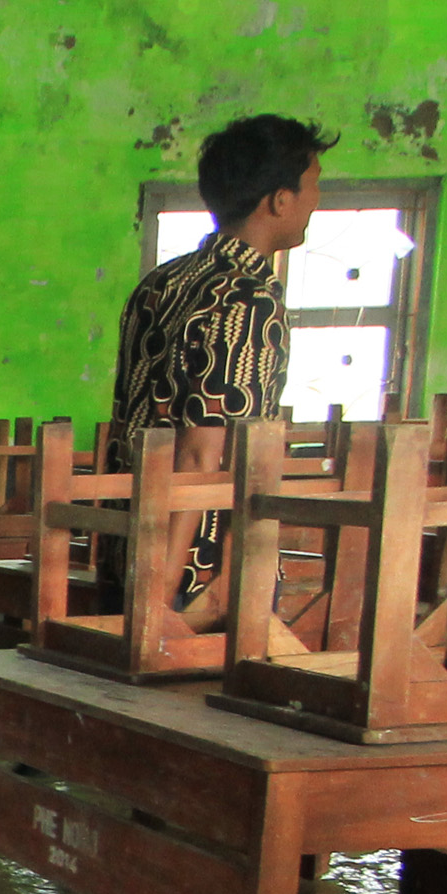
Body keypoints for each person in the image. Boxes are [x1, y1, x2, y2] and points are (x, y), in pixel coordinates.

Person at [108, 112, 336, 597]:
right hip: (198, 577)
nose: (317, 200)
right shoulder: (248, 299)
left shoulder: (161, 283)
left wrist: (137, 583)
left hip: (126, 548)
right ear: (279, 200)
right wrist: (157, 599)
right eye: (313, 185)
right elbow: (199, 453)